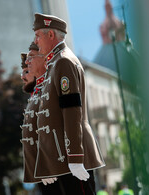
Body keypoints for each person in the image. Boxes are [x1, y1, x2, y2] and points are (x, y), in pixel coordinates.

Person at [32, 13, 105, 194]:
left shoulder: (63, 62)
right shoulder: (55, 64)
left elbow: (71, 109)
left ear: (51, 36)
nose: (35, 41)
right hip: (62, 155)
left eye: (38, 35)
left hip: (71, 157)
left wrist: (75, 157)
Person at [20, 42, 46, 184]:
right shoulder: (34, 97)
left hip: (52, 166)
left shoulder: (46, 92)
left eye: (27, 71)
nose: (23, 77)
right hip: (41, 170)